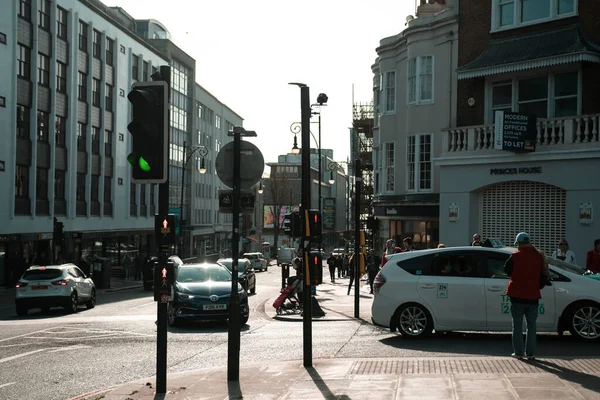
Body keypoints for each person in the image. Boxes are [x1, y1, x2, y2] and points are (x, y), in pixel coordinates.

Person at [504, 232, 547, 361]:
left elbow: (507, 271)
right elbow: (543, 276)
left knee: (517, 325)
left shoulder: (514, 256)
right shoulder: (539, 257)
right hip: (533, 296)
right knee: (532, 325)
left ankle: (518, 352)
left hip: (516, 296)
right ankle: (530, 353)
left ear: (519, 244)